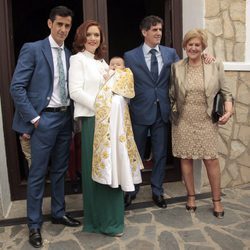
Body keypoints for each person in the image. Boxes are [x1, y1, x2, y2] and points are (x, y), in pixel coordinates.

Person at [10, 6, 81, 248]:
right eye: (59, 24)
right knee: (38, 174)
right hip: (43, 121)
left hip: (64, 119)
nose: (63, 29)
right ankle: (34, 224)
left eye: (67, 26)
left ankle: (59, 213)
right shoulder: (33, 49)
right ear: (50, 24)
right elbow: (16, 87)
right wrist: (35, 118)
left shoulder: (70, 55)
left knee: (60, 170)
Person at [169, 28, 233, 218]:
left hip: (206, 120)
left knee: (211, 159)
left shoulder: (215, 65)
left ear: (203, 47)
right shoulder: (177, 67)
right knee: (186, 158)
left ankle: (217, 201)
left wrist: (228, 111)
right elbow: (172, 94)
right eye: (190, 44)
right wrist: (174, 113)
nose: (193, 48)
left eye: (197, 45)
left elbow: (226, 92)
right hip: (184, 119)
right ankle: (191, 197)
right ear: (185, 46)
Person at [69, 21, 124, 236]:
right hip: (93, 121)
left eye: (97, 35)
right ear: (82, 37)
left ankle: (112, 219)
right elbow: (75, 91)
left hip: (110, 121)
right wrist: (100, 107)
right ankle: (100, 222)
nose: (93, 38)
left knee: (112, 170)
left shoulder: (102, 63)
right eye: (89, 34)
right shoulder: (77, 60)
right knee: (100, 172)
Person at [124, 15, 179, 208]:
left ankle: (157, 190)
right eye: (154, 30)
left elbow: (184, 71)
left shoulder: (171, 53)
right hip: (139, 111)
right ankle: (132, 190)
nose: (158, 33)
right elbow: (124, 83)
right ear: (144, 32)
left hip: (161, 112)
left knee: (160, 153)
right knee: (135, 153)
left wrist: (206, 57)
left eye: (160, 30)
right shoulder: (130, 56)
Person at [92, 56, 143, 192]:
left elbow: (127, 90)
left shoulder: (126, 74)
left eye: (118, 64)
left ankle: (126, 180)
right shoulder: (106, 73)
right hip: (106, 116)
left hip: (120, 116)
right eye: (112, 64)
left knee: (121, 144)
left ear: (124, 66)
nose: (115, 66)